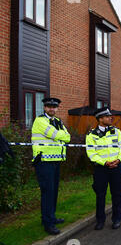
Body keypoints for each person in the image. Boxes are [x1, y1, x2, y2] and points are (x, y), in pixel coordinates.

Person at [31, 98, 71, 235]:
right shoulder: (40, 120)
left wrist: (61, 136)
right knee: (47, 192)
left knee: (53, 191)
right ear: (44, 108)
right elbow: (55, 134)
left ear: (57, 108)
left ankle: (51, 217)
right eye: (49, 107)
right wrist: (61, 135)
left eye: (54, 107)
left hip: (55, 160)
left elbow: (68, 137)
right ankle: (48, 223)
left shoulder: (58, 121)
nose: (52, 109)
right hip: (43, 160)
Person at [86, 107, 121, 230]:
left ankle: (116, 219)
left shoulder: (117, 131)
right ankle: (100, 220)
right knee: (100, 195)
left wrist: (118, 159)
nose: (111, 118)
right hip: (101, 169)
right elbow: (91, 153)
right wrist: (105, 162)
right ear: (100, 119)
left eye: (110, 116)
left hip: (116, 167)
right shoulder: (91, 135)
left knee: (117, 194)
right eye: (107, 116)